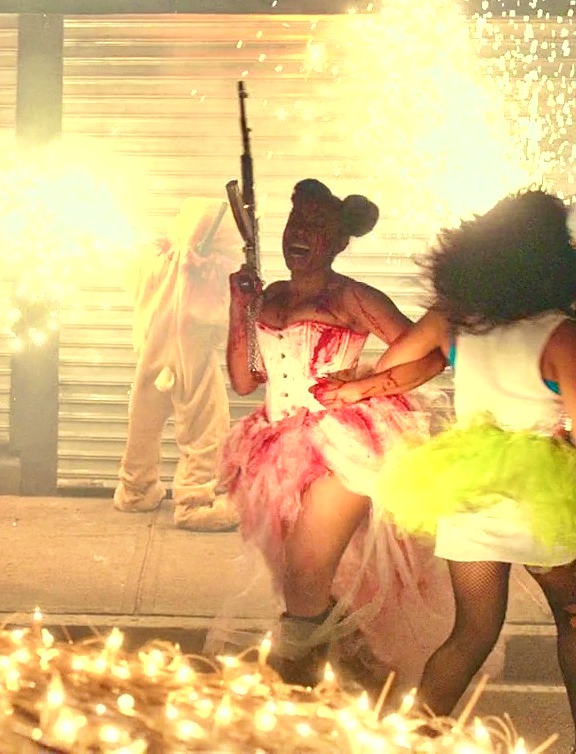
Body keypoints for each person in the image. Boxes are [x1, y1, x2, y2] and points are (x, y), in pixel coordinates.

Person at [312, 190, 576, 754]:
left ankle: (410, 743)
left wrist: (368, 383)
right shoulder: (560, 333)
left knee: (471, 634)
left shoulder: (454, 319)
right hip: (540, 496)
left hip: (469, 489)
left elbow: (395, 362)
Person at [219, 178, 452, 688]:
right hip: (276, 446)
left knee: (304, 577)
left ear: (340, 242)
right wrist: (240, 307)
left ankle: (293, 687)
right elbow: (245, 380)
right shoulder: (269, 295)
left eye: (316, 225)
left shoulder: (352, 297)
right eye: (295, 221)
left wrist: (361, 388)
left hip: (342, 446)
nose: (300, 233)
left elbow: (434, 356)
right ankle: (359, 671)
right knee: (302, 584)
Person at [113, 197, 241, 532]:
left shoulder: (154, 259)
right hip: (192, 359)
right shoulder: (211, 271)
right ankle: (194, 504)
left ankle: (135, 490)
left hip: (152, 356)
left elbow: (134, 285)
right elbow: (221, 320)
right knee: (205, 430)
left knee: (143, 425)